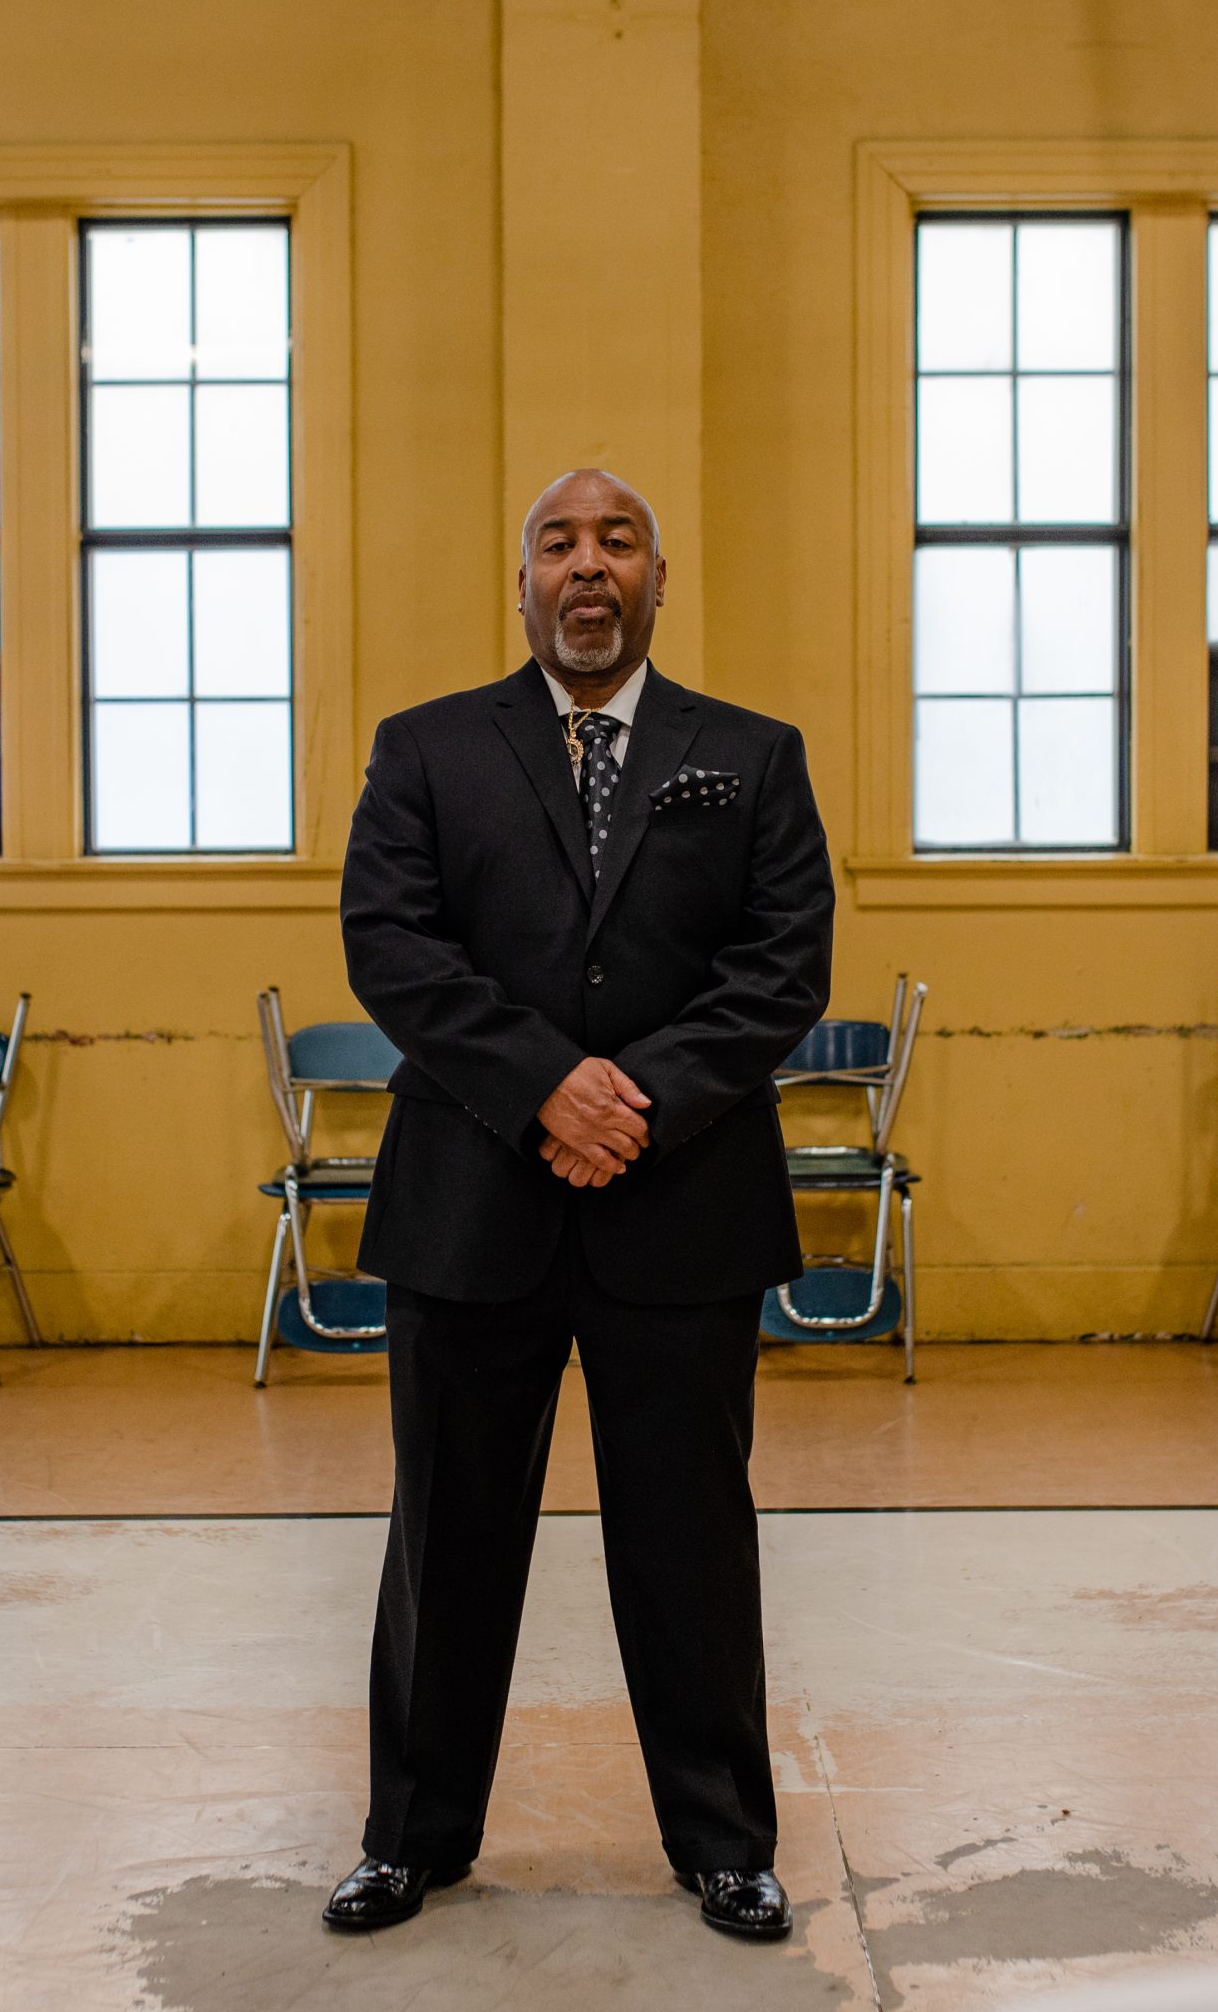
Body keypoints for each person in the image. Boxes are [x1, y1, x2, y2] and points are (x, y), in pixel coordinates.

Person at [324, 468, 833, 1940]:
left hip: (682, 1208)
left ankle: (725, 1840)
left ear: (659, 578)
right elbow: (391, 944)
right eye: (559, 543)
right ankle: (412, 1836)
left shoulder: (751, 755)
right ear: (524, 583)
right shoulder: (426, 750)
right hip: (471, 1204)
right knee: (448, 1536)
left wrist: (633, 1104)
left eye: (618, 541)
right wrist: (546, 1085)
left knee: (691, 1541)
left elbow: (783, 965)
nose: (588, 565)